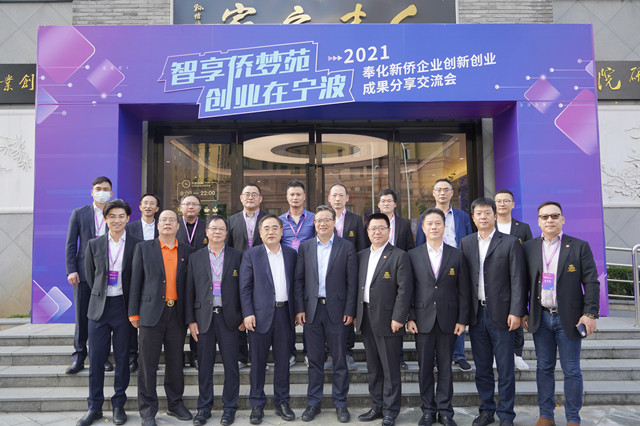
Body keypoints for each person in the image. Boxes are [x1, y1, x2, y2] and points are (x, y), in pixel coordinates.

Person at [523, 201, 600, 426]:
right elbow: (522, 283)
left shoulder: (579, 246)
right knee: (543, 368)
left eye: (554, 216)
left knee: (572, 370)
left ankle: (573, 419)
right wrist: (522, 312)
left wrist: (590, 314)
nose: (550, 220)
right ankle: (546, 416)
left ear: (563, 219)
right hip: (541, 317)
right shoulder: (528, 248)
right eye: (544, 217)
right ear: (538, 221)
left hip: (569, 318)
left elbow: (591, 282)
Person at [459, 197, 527, 426]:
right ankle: (487, 410)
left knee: (506, 369)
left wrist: (516, 311)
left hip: (503, 315)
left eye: (487, 213)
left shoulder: (510, 242)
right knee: (482, 368)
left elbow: (518, 279)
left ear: (495, 216)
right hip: (477, 315)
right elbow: (463, 283)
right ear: (473, 218)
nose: (483, 217)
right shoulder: (466, 243)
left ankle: (506, 415)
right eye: (479, 213)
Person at [77, 199, 141, 426]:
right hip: (99, 309)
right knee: (96, 359)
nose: (117, 220)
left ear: (128, 218)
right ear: (105, 219)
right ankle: (94, 406)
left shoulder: (137, 244)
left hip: (123, 308)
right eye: (112, 216)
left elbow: (138, 278)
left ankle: (118, 405)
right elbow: (90, 275)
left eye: (121, 216)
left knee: (123, 358)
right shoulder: (94, 244)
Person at [129, 210, 194, 426]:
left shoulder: (187, 251)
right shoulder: (143, 248)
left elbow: (190, 287)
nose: (167, 223)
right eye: (163, 220)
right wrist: (134, 313)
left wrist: (190, 317)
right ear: (157, 225)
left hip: (176, 314)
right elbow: (135, 282)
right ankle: (148, 411)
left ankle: (175, 404)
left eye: (172, 220)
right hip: (150, 314)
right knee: (147, 364)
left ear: (178, 226)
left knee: (175, 362)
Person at [407, 208, 471, 426]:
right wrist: (410, 317)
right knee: (424, 368)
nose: (434, 227)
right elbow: (408, 290)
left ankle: (445, 411)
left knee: (445, 368)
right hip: (422, 320)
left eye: (438, 223)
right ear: (423, 228)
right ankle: (427, 410)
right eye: (430, 224)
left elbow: (463, 290)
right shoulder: (413, 255)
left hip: (449, 321)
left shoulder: (457, 254)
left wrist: (462, 320)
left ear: (444, 227)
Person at [294, 205, 357, 423]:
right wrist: (300, 308)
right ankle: (314, 403)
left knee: (339, 360)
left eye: (326, 220)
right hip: (312, 311)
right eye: (318, 220)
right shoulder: (305, 247)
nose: (322, 223)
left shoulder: (346, 247)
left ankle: (340, 403)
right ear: (314, 224)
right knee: (314, 361)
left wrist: (350, 310)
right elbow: (299, 280)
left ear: (333, 222)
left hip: (338, 311)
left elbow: (352, 282)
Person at [239, 215, 297, 425]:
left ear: (282, 231)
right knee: (257, 363)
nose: (271, 232)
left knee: (283, 362)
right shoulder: (251, 255)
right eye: (266, 228)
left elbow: (296, 285)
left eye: (275, 228)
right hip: (258, 316)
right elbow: (244, 288)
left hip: (284, 314)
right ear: (260, 232)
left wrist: (298, 310)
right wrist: (247, 313)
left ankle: (283, 402)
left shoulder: (291, 254)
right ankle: (257, 404)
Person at [356, 213, 413, 426]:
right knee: (373, 367)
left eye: (381, 228)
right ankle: (377, 406)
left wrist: (399, 317)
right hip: (366, 318)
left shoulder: (399, 256)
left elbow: (404, 290)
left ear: (389, 231)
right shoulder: (361, 255)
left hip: (389, 320)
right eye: (373, 228)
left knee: (390, 368)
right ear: (367, 232)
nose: (377, 232)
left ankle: (391, 411)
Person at [186, 215, 244, 426]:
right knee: (204, 366)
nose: (217, 232)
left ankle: (229, 408)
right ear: (207, 232)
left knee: (231, 366)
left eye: (221, 228)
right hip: (204, 319)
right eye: (213, 228)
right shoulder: (196, 257)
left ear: (226, 233)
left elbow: (244, 289)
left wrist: (243, 316)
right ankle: (204, 408)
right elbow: (189, 290)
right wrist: (191, 320)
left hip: (230, 319)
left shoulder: (237, 256)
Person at [416, 179, 473, 372]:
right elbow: (420, 244)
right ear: (433, 193)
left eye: (446, 190)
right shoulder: (426, 216)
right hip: (432, 268)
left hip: (455, 266)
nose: (442, 193)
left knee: (456, 309)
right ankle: (433, 356)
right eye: (438, 190)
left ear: (452, 193)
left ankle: (458, 355)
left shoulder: (462, 216)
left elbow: (468, 241)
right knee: (433, 313)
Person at [65, 176, 114, 374]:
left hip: (108, 273)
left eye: (106, 189)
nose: (102, 192)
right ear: (92, 192)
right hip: (83, 273)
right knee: (82, 316)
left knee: (103, 318)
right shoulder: (79, 213)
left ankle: (101, 358)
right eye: (98, 188)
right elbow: (71, 244)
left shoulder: (115, 213)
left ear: (111, 193)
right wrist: (71, 269)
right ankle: (79, 357)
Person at [326, 183, 367, 371]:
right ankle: (330, 353)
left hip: (350, 274)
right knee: (328, 314)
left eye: (341, 195)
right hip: (328, 274)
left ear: (347, 198)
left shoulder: (355, 220)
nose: (337, 199)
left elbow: (361, 247)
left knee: (349, 312)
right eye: (334, 195)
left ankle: (348, 353)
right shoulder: (323, 218)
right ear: (329, 198)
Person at [227, 184, 268, 370]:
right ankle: (241, 356)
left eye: (254, 194)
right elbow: (228, 248)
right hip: (238, 273)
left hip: (263, 272)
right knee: (239, 313)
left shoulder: (267, 219)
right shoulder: (231, 221)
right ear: (241, 198)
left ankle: (260, 358)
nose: (250, 197)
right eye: (247, 194)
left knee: (260, 313)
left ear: (260, 198)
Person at [495, 189, 533, 371]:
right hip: (495, 280)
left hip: (517, 279)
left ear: (513, 204)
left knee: (517, 314)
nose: (502, 204)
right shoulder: (488, 226)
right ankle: (497, 355)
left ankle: (517, 355)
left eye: (506, 201)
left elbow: (530, 253)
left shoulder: (523, 228)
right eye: (498, 201)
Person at [279, 180, 315, 367]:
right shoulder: (279, 221)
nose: (295, 197)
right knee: (288, 313)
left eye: (298, 194)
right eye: (292, 194)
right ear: (287, 197)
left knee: (309, 313)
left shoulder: (314, 219)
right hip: (285, 272)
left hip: (309, 273)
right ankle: (290, 352)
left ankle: (310, 352)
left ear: (304, 197)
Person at [125, 193, 161, 373]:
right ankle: (133, 357)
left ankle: (153, 358)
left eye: (152, 204)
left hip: (156, 281)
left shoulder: (162, 227)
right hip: (134, 277)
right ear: (140, 207)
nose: (148, 206)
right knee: (133, 319)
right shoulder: (129, 228)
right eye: (145, 203)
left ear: (157, 209)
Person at [176, 193, 207, 370]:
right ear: (180, 207)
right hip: (178, 278)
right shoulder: (174, 225)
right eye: (187, 204)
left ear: (199, 208)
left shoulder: (207, 227)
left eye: (194, 204)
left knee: (198, 318)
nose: (190, 207)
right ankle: (177, 356)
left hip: (201, 279)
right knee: (178, 321)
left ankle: (196, 356)